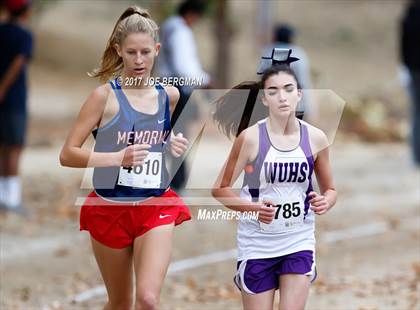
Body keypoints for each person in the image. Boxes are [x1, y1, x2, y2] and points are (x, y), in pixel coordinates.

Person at [60, 6, 190, 309]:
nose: (139, 60)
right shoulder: (103, 97)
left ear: (157, 50)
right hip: (110, 207)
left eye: (146, 51)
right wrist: (116, 158)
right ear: (118, 51)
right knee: (120, 303)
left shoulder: (169, 96)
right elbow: (68, 154)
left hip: (154, 205)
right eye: (131, 52)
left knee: (147, 300)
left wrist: (172, 143)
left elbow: (156, 138)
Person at [212, 51, 337, 309]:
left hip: (298, 239)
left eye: (289, 89)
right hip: (257, 244)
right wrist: (253, 209)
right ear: (264, 98)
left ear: (299, 94)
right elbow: (220, 189)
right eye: (273, 91)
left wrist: (326, 202)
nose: (282, 96)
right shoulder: (250, 139)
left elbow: (331, 189)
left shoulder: (316, 139)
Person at [157, 0, 211, 191]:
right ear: (191, 13)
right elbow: (184, 66)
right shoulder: (180, 31)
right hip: (177, 88)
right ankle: (176, 183)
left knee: (165, 133)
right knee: (177, 136)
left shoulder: (168, 27)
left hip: (166, 85)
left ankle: (167, 180)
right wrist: (204, 80)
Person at [0, 0, 33, 214]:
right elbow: (19, 62)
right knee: (14, 148)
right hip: (13, 100)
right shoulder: (25, 35)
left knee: (2, 148)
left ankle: (3, 197)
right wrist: (2, 89)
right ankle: (11, 200)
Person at [262, 24, 313, 119]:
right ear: (290, 38)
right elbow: (303, 82)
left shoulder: (268, 52)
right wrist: (309, 107)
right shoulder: (299, 53)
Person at [400, 0, 420, 165]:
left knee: (416, 112)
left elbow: (403, 49)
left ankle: (416, 155)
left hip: (414, 71)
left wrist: (406, 68)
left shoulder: (407, 18)